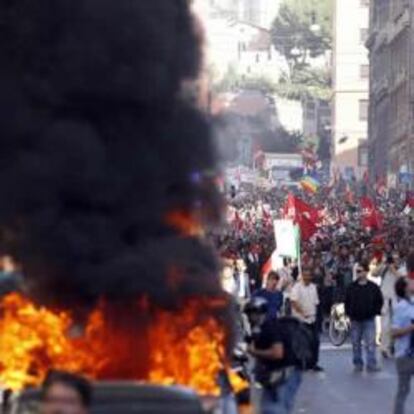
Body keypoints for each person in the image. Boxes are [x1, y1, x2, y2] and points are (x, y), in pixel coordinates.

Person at [245, 297, 302, 414]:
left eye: (252, 313)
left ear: (259, 313)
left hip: (286, 374)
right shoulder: (259, 329)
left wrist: (253, 352)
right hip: (273, 376)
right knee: (267, 409)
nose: (250, 318)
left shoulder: (271, 327)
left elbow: (277, 353)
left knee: (277, 410)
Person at [345, 261, 384, 372]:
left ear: (366, 272)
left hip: (369, 319)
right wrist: (349, 314)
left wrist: (375, 311)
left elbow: (379, 300)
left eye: (360, 271)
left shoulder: (373, 287)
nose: (358, 273)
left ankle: (371, 363)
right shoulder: (351, 287)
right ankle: (358, 363)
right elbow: (347, 301)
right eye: (357, 271)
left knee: (371, 343)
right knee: (355, 343)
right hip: (355, 319)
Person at [290, 267, 323, 372]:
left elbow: (316, 303)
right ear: (302, 276)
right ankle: (301, 364)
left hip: (312, 319)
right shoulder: (297, 288)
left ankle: (313, 364)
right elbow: (294, 302)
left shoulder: (313, 287)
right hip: (301, 320)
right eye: (305, 275)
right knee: (303, 343)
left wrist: (317, 317)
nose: (307, 277)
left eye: (309, 275)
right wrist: (302, 313)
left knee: (315, 342)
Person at [392, 277, 414, 414]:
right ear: (405, 288)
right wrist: (411, 328)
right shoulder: (400, 307)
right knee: (403, 390)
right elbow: (394, 332)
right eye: (410, 282)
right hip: (405, 355)